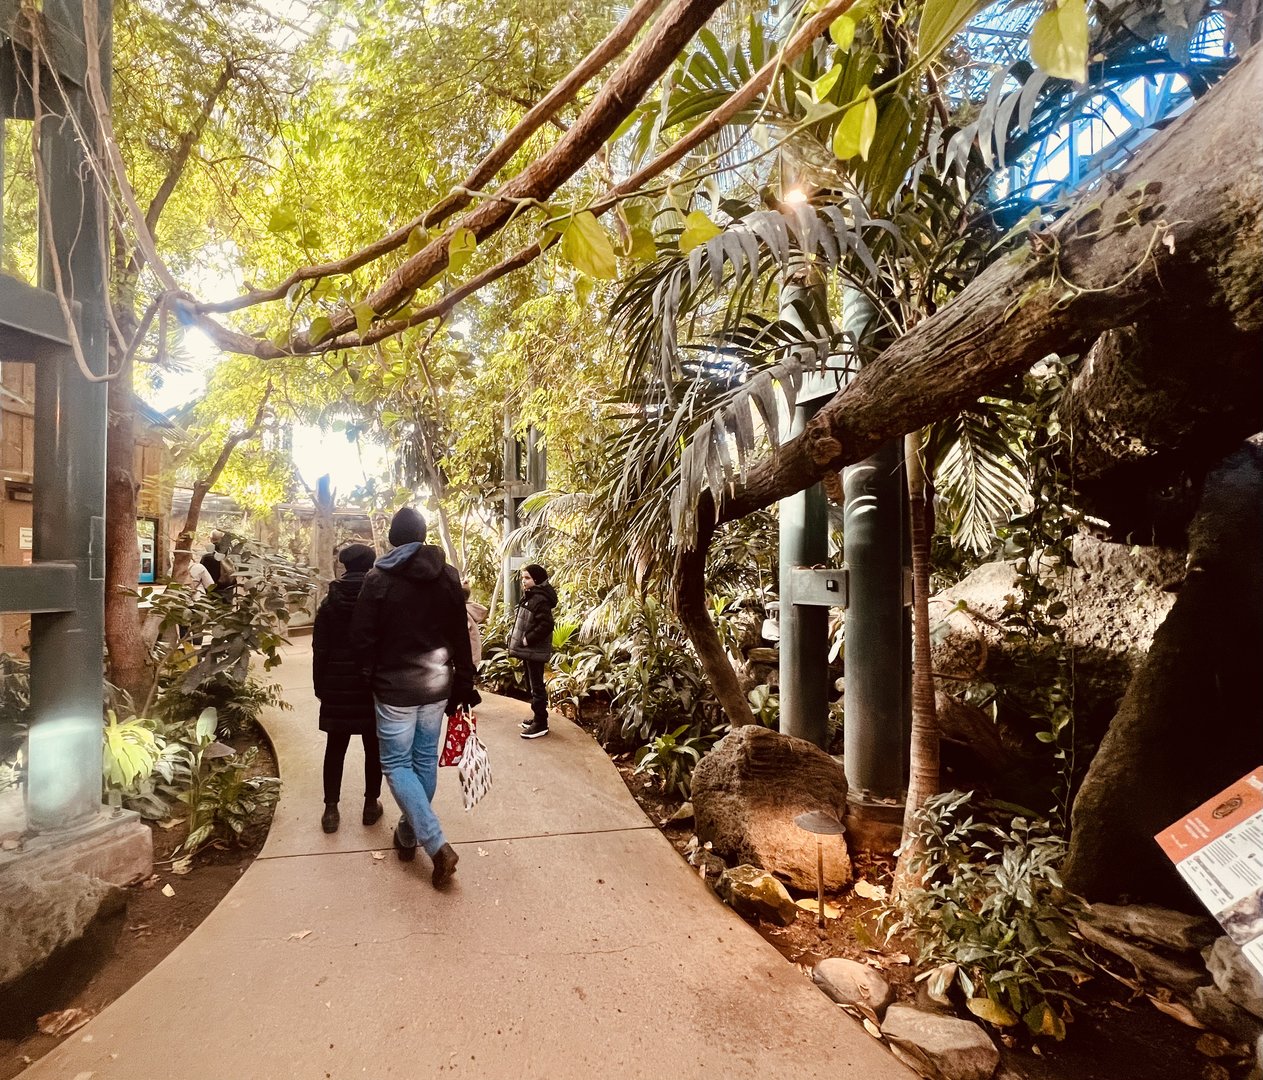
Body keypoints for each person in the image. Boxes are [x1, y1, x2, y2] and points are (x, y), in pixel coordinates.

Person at [350, 508, 477, 888]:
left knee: (396, 765)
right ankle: (408, 833)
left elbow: (362, 637)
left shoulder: (379, 577)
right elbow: (460, 632)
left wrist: (367, 678)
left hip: (394, 690)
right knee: (423, 761)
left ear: (392, 538)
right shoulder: (448, 575)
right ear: (423, 536)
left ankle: (436, 844)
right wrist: (464, 681)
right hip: (437, 686)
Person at [312, 544, 384, 834]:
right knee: (373, 746)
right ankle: (370, 806)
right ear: (370, 565)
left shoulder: (330, 603)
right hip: (369, 684)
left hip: (336, 684)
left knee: (335, 747)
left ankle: (331, 810)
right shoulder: (378, 599)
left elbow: (320, 648)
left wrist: (321, 686)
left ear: (344, 566)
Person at [509, 562, 556, 739]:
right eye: (523, 578)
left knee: (537, 687)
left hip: (534, 650)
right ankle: (537, 717)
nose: (524, 581)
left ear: (537, 580)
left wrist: (528, 639)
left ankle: (541, 723)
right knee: (532, 684)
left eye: (527, 578)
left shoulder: (540, 599)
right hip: (530, 651)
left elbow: (546, 624)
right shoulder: (532, 596)